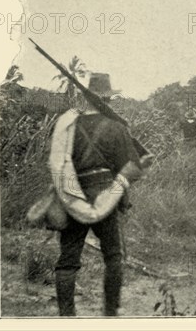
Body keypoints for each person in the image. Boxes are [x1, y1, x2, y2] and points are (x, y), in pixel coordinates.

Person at [53, 73, 148, 316]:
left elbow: (58, 162)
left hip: (72, 194)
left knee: (68, 258)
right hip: (105, 192)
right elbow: (131, 167)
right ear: (108, 99)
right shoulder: (116, 128)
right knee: (113, 256)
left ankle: (66, 315)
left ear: (88, 99)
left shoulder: (69, 126)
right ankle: (110, 312)